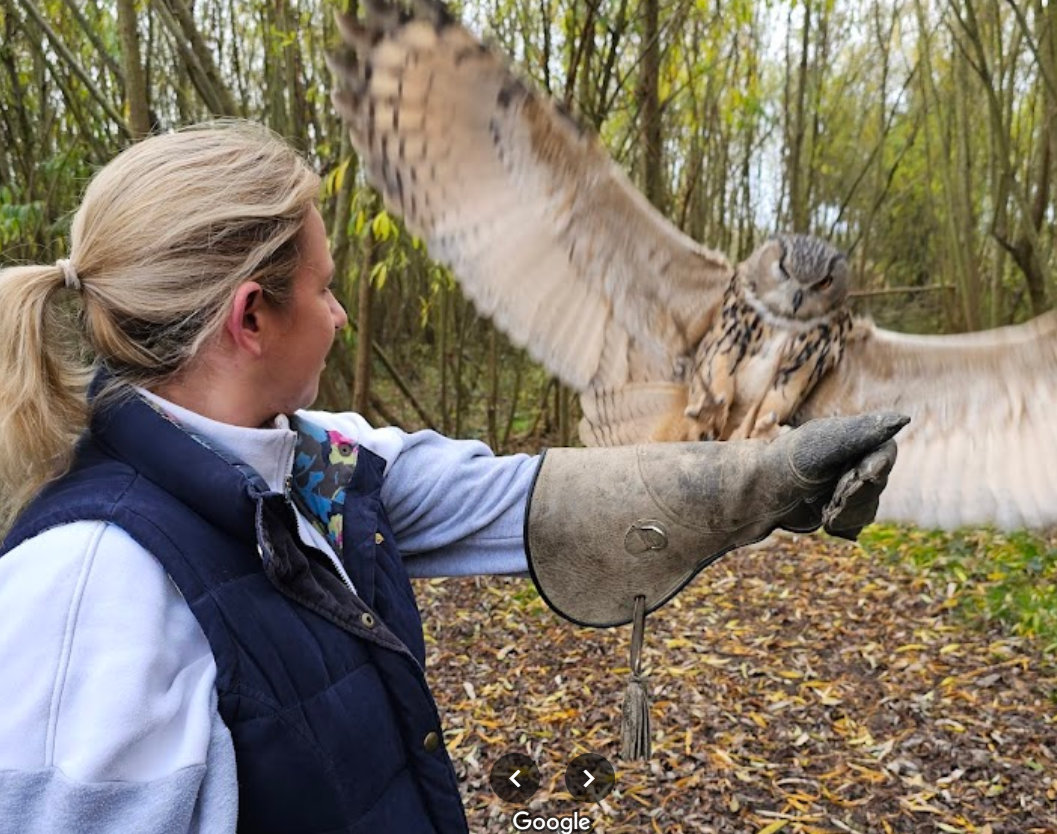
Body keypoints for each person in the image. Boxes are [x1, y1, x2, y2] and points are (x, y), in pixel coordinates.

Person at [0, 122, 904, 834]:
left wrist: (766, 478)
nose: (343, 314)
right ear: (250, 318)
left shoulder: (320, 462)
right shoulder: (92, 589)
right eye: (323, 289)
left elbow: (521, 499)